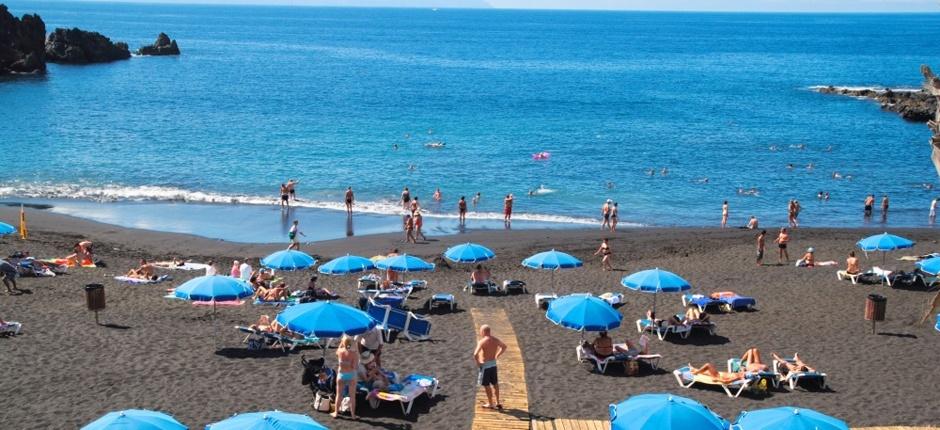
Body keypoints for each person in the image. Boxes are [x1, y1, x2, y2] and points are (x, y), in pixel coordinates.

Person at [473, 325, 507, 410]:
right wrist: (497, 355)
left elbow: (475, 354)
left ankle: (491, 403)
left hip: (485, 366)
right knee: (495, 383)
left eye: (480, 331)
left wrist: (478, 363)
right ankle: (498, 402)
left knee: (486, 385)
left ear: (483, 332)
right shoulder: (495, 340)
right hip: (493, 364)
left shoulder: (482, 341)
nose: (480, 333)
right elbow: (504, 347)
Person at [333, 335, 360, 419]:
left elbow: (338, 350)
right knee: (352, 396)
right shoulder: (354, 354)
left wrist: (342, 342)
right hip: (351, 375)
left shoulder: (340, 351)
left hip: (341, 374)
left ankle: (336, 413)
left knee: (339, 395)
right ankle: (353, 415)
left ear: (343, 343)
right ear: (351, 344)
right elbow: (355, 367)